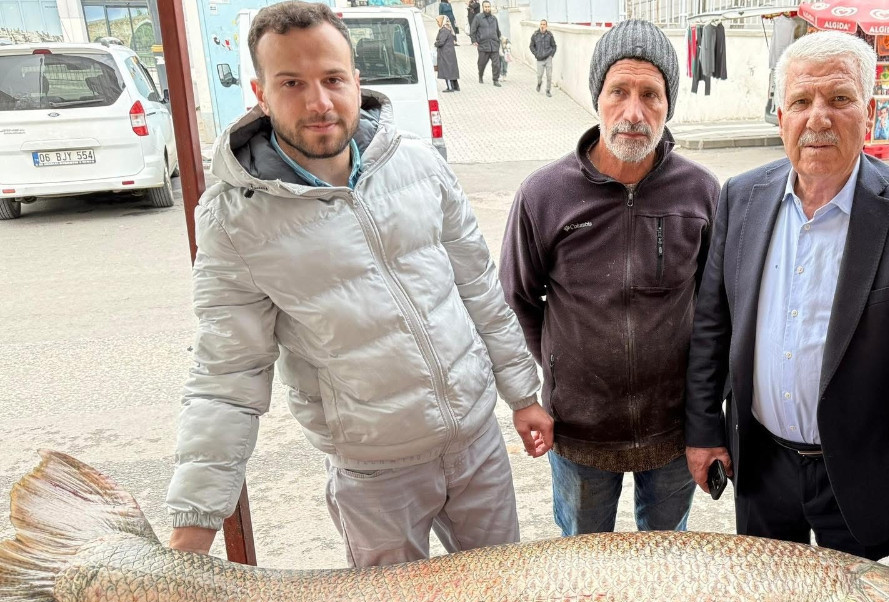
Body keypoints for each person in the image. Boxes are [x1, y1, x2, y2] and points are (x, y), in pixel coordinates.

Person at [165, 1, 553, 568]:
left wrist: (523, 396)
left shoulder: (419, 165)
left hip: (477, 448)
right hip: (376, 477)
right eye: (292, 82)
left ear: (356, 79)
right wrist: (194, 526)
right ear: (260, 91)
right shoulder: (236, 219)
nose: (319, 102)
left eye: (332, 79)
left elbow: (479, 291)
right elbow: (226, 374)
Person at [685, 31, 889, 559]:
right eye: (801, 101)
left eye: (839, 99)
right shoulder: (741, 198)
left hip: (865, 471)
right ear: (780, 117)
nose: (818, 118)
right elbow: (714, 321)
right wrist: (704, 427)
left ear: (868, 111)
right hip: (763, 465)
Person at [501, 20, 719, 536]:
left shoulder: (702, 193)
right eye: (618, 91)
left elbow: (716, 306)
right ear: (597, 96)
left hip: (673, 428)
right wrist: (557, 367)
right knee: (583, 564)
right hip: (581, 431)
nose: (633, 112)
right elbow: (517, 298)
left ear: (670, 104)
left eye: (651, 94)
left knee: (664, 563)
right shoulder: (544, 195)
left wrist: (708, 412)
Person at [470, 0, 501, 87]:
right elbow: (473, 30)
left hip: (494, 45)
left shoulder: (494, 18)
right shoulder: (478, 17)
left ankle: (495, 80)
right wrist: (474, 40)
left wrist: (499, 40)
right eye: (485, 7)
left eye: (488, 6)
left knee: (496, 64)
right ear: (483, 8)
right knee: (481, 64)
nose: (487, 8)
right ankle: (480, 75)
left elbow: (497, 31)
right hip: (483, 45)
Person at [530, 19, 557, 97]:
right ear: (540, 25)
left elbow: (554, 46)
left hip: (548, 58)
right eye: (541, 24)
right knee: (539, 75)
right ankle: (539, 83)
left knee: (549, 76)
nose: (542, 26)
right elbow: (531, 46)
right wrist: (536, 54)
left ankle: (548, 90)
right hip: (540, 59)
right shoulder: (535, 35)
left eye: (544, 24)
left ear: (546, 26)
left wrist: (551, 55)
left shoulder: (550, 35)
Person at [435, 16, 460, 92]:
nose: (437, 23)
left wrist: (436, 43)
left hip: (445, 53)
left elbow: (441, 42)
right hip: (450, 53)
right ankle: (456, 86)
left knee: (446, 70)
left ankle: (450, 87)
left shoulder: (444, 30)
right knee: (452, 69)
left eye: (438, 21)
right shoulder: (448, 29)